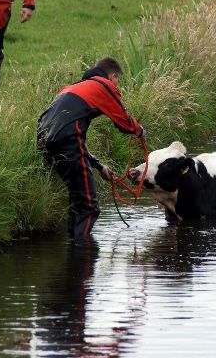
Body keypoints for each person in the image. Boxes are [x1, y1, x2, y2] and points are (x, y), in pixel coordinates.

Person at [37, 57, 145, 238]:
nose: (117, 86)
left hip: (45, 140)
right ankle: (82, 257)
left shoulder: (72, 88)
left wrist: (99, 166)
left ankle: (74, 247)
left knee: (78, 199)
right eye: (118, 81)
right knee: (88, 207)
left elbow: (69, 138)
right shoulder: (104, 85)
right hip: (67, 141)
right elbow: (124, 123)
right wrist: (140, 131)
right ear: (113, 76)